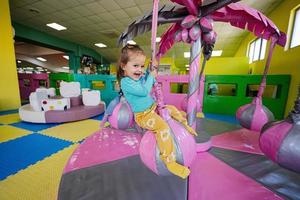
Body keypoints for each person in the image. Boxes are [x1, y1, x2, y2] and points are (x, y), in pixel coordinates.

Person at [117, 44, 197, 179]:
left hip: (153, 109)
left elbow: (146, 78)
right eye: (135, 66)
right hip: (143, 116)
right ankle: (169, 161)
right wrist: (151, 76)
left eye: (141, 66)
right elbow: (143, 91)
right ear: (124, 66)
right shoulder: (126, 82)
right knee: (163, 127)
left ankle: (185, 125)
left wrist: (150, 69)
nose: (139, 70)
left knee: (171, 109)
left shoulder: (138, 77)